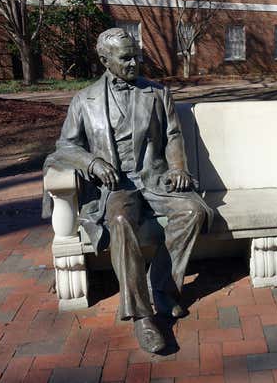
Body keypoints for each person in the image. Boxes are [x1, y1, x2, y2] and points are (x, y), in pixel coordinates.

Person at [44, 28, 211, 353]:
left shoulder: (158, 93)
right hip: (117, 187)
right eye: (126, 58)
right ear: (105, 60)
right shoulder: (84, 100)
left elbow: (173, 136)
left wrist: (178, 168)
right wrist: (92, 163)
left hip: (156, 179)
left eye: (137, 55)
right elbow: (65, 146)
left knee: (194, 212)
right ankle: (142, 317)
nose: (135, 62)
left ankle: (160, 287)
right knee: (119, 221)